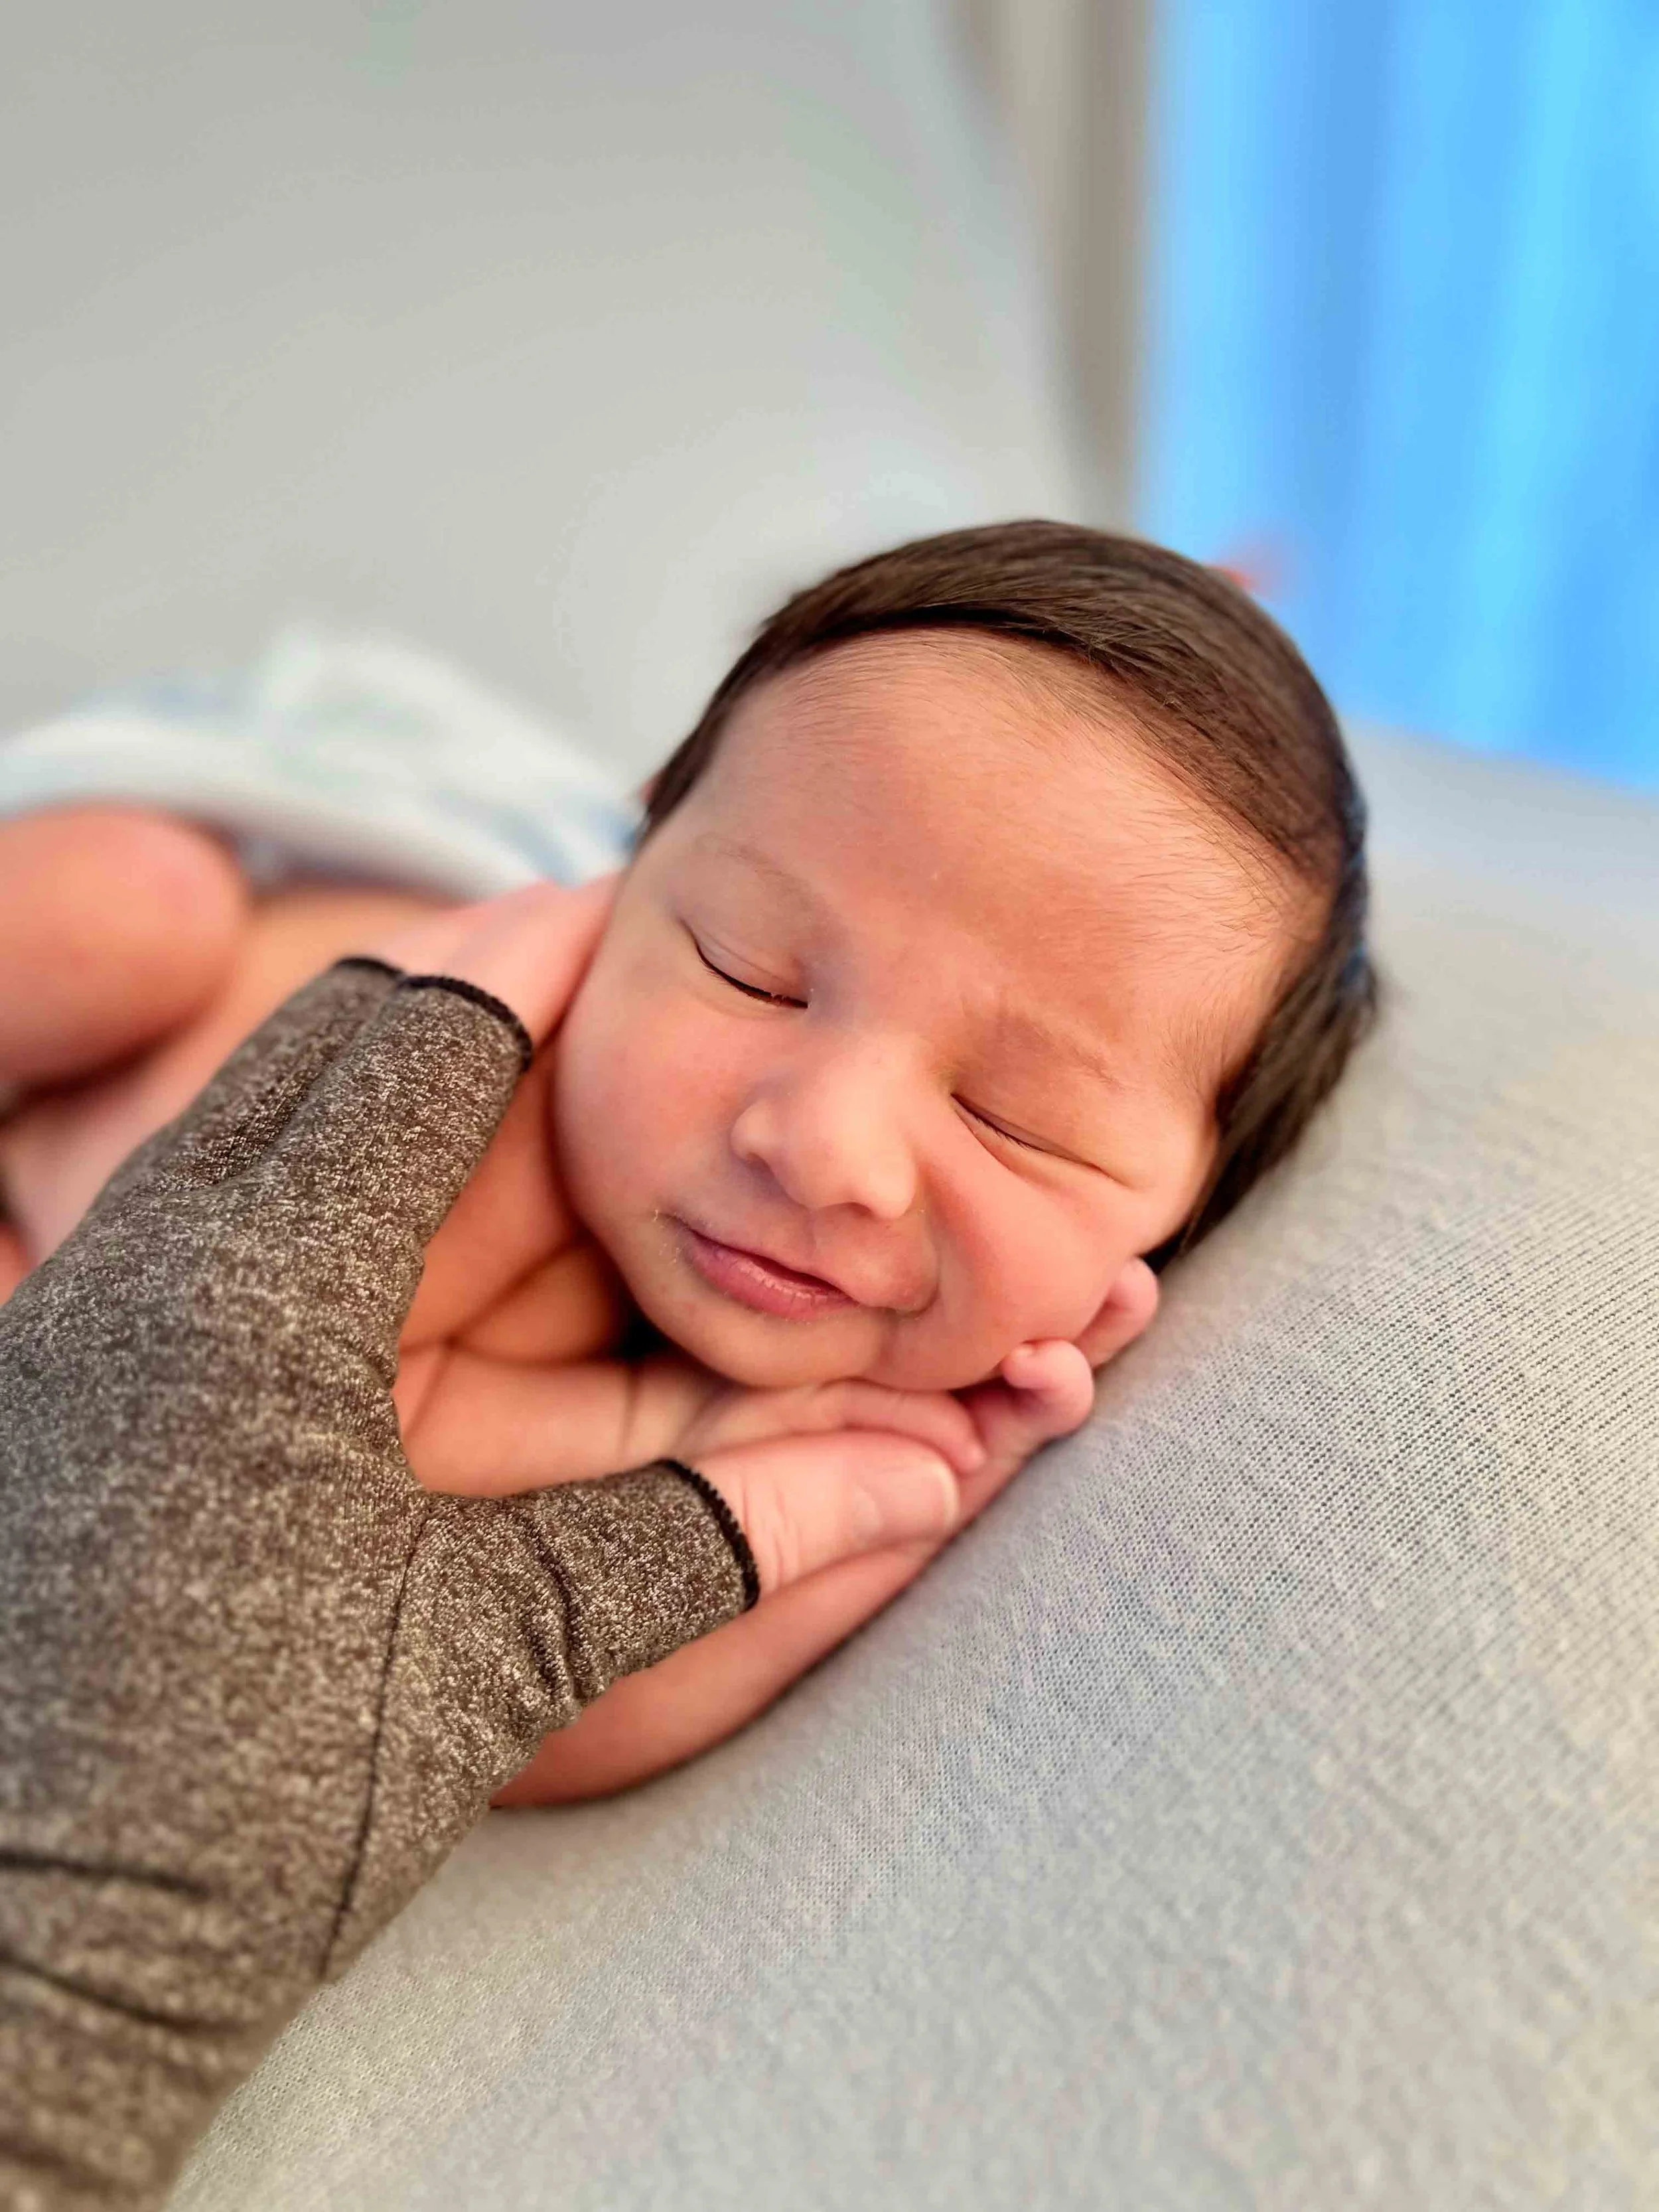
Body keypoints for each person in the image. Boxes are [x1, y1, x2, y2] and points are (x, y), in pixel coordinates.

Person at [0, 522, 1375, 1807]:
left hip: (55, 1291)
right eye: (749, 969)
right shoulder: (508, 1108)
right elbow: (242, 1454)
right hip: (103, 1052)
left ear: (1182, 1207)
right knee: (130, 906)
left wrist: (895, 1513)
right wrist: (663, 1443)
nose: (825, 1144)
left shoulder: (874, 1370)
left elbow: (501, 1721)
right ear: (640, 857)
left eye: (1014, 1117)